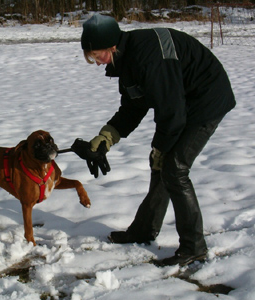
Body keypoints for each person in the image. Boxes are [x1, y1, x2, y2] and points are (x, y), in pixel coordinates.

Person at [71, 14, 235, 266]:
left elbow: (172, 111)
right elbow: (133, 107)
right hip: (183, 102)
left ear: (111, 45)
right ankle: (144, 230)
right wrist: (105, 138)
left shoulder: (148, 57)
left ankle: (194, 247)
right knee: (162, 164)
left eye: (97, 55)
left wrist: (161, 147)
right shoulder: (126, 60)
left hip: (207, 99)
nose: (96, 62)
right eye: (91, 56)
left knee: (174, 168)